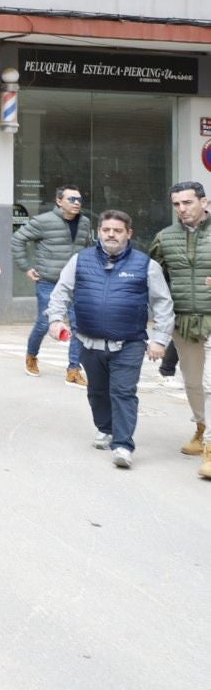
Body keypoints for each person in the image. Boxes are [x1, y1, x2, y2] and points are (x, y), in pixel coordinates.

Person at [46, 209, 174, 469]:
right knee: (96, 392)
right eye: (106, 230)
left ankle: (123, 445)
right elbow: (61, 292)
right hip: (88, 342)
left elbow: (162, 303)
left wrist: (160, 339)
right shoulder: (80, 260)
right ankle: (105, 427)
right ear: (99, 232)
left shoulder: (146, 265)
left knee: (123, 393)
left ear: (129, 234)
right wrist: (56, 319)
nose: (111, 235)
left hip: (128, 344)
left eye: (117, 230)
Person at [148, 181, 211, 478]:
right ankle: (201, 428)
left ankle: (210, 448)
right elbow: (152, 279)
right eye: (176, 204)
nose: (181, 209)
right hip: (184, 321)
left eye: (187, 202)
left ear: (204, 201)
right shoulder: (164, 238)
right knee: (194, 383)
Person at [11, 185, 93, 383]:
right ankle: (31, 355)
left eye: (79, 199)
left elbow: (88, 248)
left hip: (76, 283)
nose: (77, 203)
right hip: (49, 281)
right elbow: (18, 239)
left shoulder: (84, 222)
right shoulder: (43, 221)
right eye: (72, 199)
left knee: (78, 325)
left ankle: (73, 370)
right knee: (45, 322)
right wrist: (26, 267)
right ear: (59, 201)